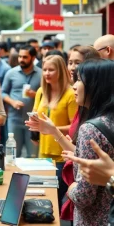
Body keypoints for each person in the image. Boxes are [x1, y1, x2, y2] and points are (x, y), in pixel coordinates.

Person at [61, 59, 114, 226]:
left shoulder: (90, 129)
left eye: (79, 80)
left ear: (96, 85)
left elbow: (84, 197)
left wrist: (70, 188)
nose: (74, 86)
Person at [25, 55, 78, 210]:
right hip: (43, 154)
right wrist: (34, 125)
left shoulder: (70, 94)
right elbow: (35, 114)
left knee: (55, 198)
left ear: (61, 71)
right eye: (45, 69)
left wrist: (50, 129)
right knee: (45, 198)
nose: (47, 73)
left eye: (51, 69)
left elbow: (74, 127)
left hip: (62, 155)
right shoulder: (41, 91)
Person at [2, 45, 42, 158]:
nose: (21, 60)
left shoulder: (41, 74)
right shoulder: (11, 73)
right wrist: (12, 102)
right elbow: (3, 92)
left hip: (33, 122)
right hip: (14, 120)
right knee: (13, 155)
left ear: (33, 58)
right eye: (20, 57)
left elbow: (47, 96)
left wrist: (35, 94)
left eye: (25, 57)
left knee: (33, 155)